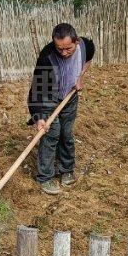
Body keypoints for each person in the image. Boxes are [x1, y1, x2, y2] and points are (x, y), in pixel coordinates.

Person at [27, 23, 95, 195]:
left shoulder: (86, 45)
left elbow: (89, 59)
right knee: (50, 134)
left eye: (68, 49)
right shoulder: (47, 56)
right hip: (49, 97)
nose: (64, 53)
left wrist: (81, 76)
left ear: (76, 42)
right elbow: (36, 91)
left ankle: (66, 170)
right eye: (60, 49)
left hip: (69, 97)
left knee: (66, 133)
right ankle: (45, 177)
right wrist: (39, 117)